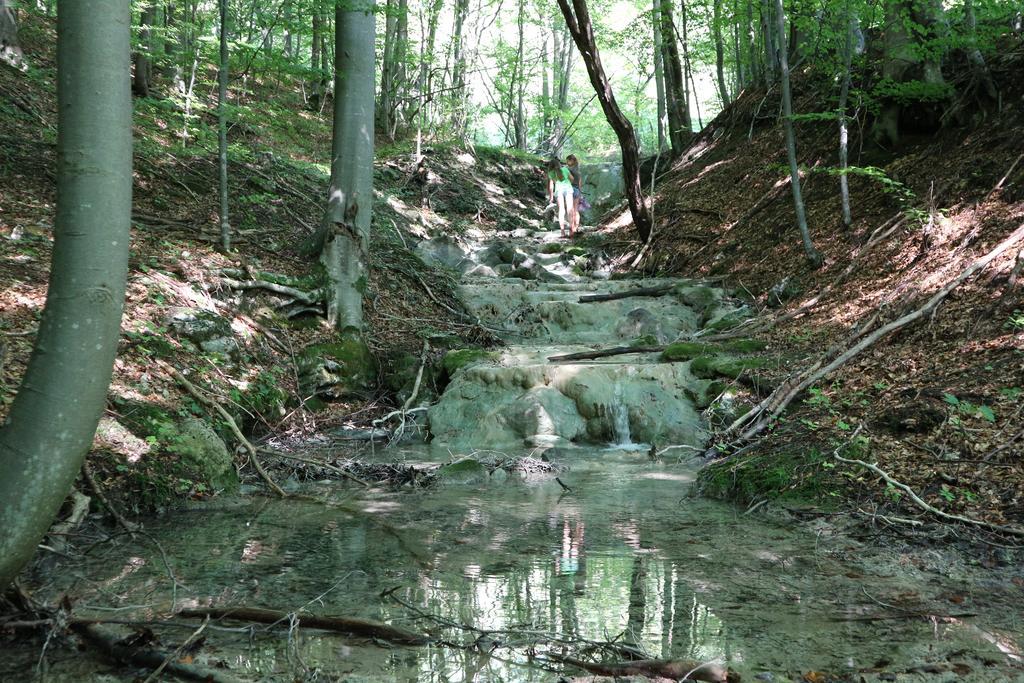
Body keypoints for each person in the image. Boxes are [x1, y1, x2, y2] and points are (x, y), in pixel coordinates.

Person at [546, 157, 575, 238]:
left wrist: (551, 197)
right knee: (570, 209)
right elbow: (572, 179)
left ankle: (562, 232)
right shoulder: (565, 169)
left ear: (550, 166)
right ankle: (571, 230)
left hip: (559, 190)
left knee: (561, 210)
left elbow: (551, 186)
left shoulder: (551, 173)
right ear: (559, 164)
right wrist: (569, 182)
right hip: (568, 189)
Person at [566, 154, 583, 236]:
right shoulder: (578, 171)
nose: (567, 162)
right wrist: (580, 193)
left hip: (570, 190)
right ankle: (576, 227)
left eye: (568, 160)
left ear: (572, 161)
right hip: (577, 190)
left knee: (570, 210)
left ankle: (571, 228)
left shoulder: (568, 170)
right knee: (576, 210)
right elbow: (580, 184)